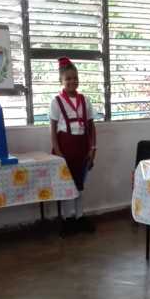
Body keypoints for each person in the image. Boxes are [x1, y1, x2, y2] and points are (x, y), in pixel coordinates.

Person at [50, 57, 96, 234]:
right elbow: (53, 130)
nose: (72, 81)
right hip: (64, 149)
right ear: (61, 81)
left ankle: (79, 216)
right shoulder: (56, 102)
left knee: (79, 185)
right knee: (65, 186)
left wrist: (93, 149)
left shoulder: (85, 100)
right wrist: (58, 152)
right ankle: (67, 218)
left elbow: (91, 127)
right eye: (68, 78)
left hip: (82, 148)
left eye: (75, 78)